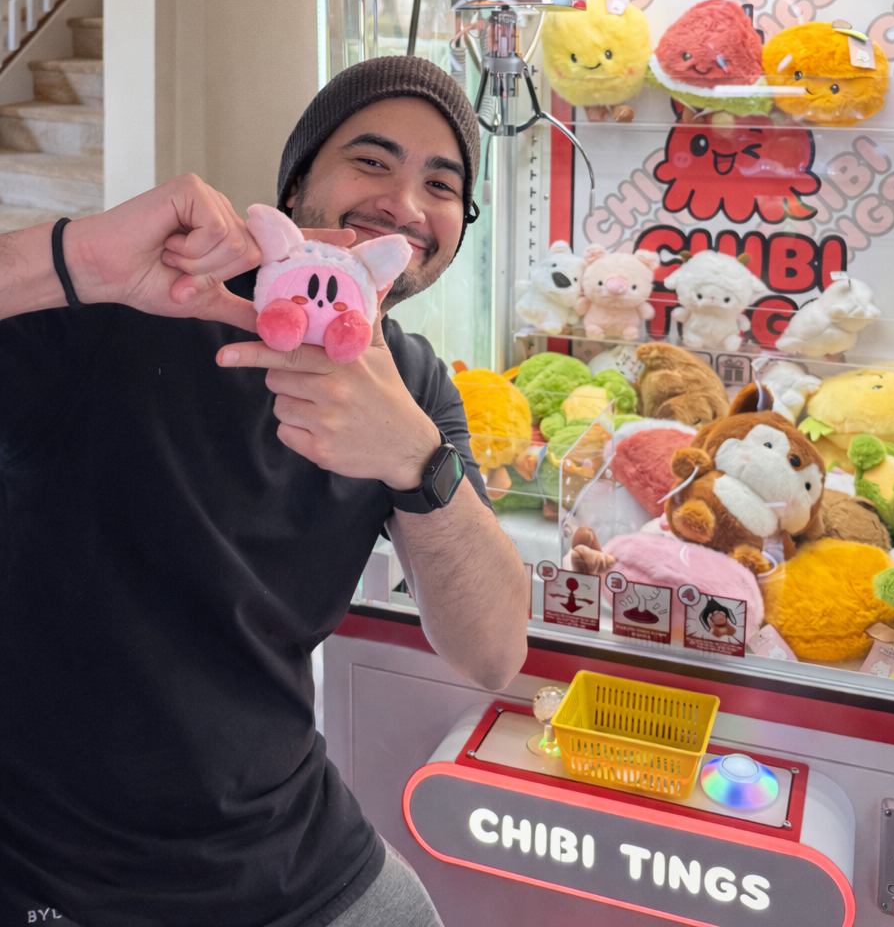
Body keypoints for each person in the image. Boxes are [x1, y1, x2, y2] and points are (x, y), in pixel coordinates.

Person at [0, 56, 529, 927]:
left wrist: (419, 464)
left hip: (292, 847)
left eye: (442, 183)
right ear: (295, 189)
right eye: (371, 160)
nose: (405, 201)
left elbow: (493, 654)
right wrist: (73, 260)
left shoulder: (415, 385)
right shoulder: (139, 306)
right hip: (65, 871)